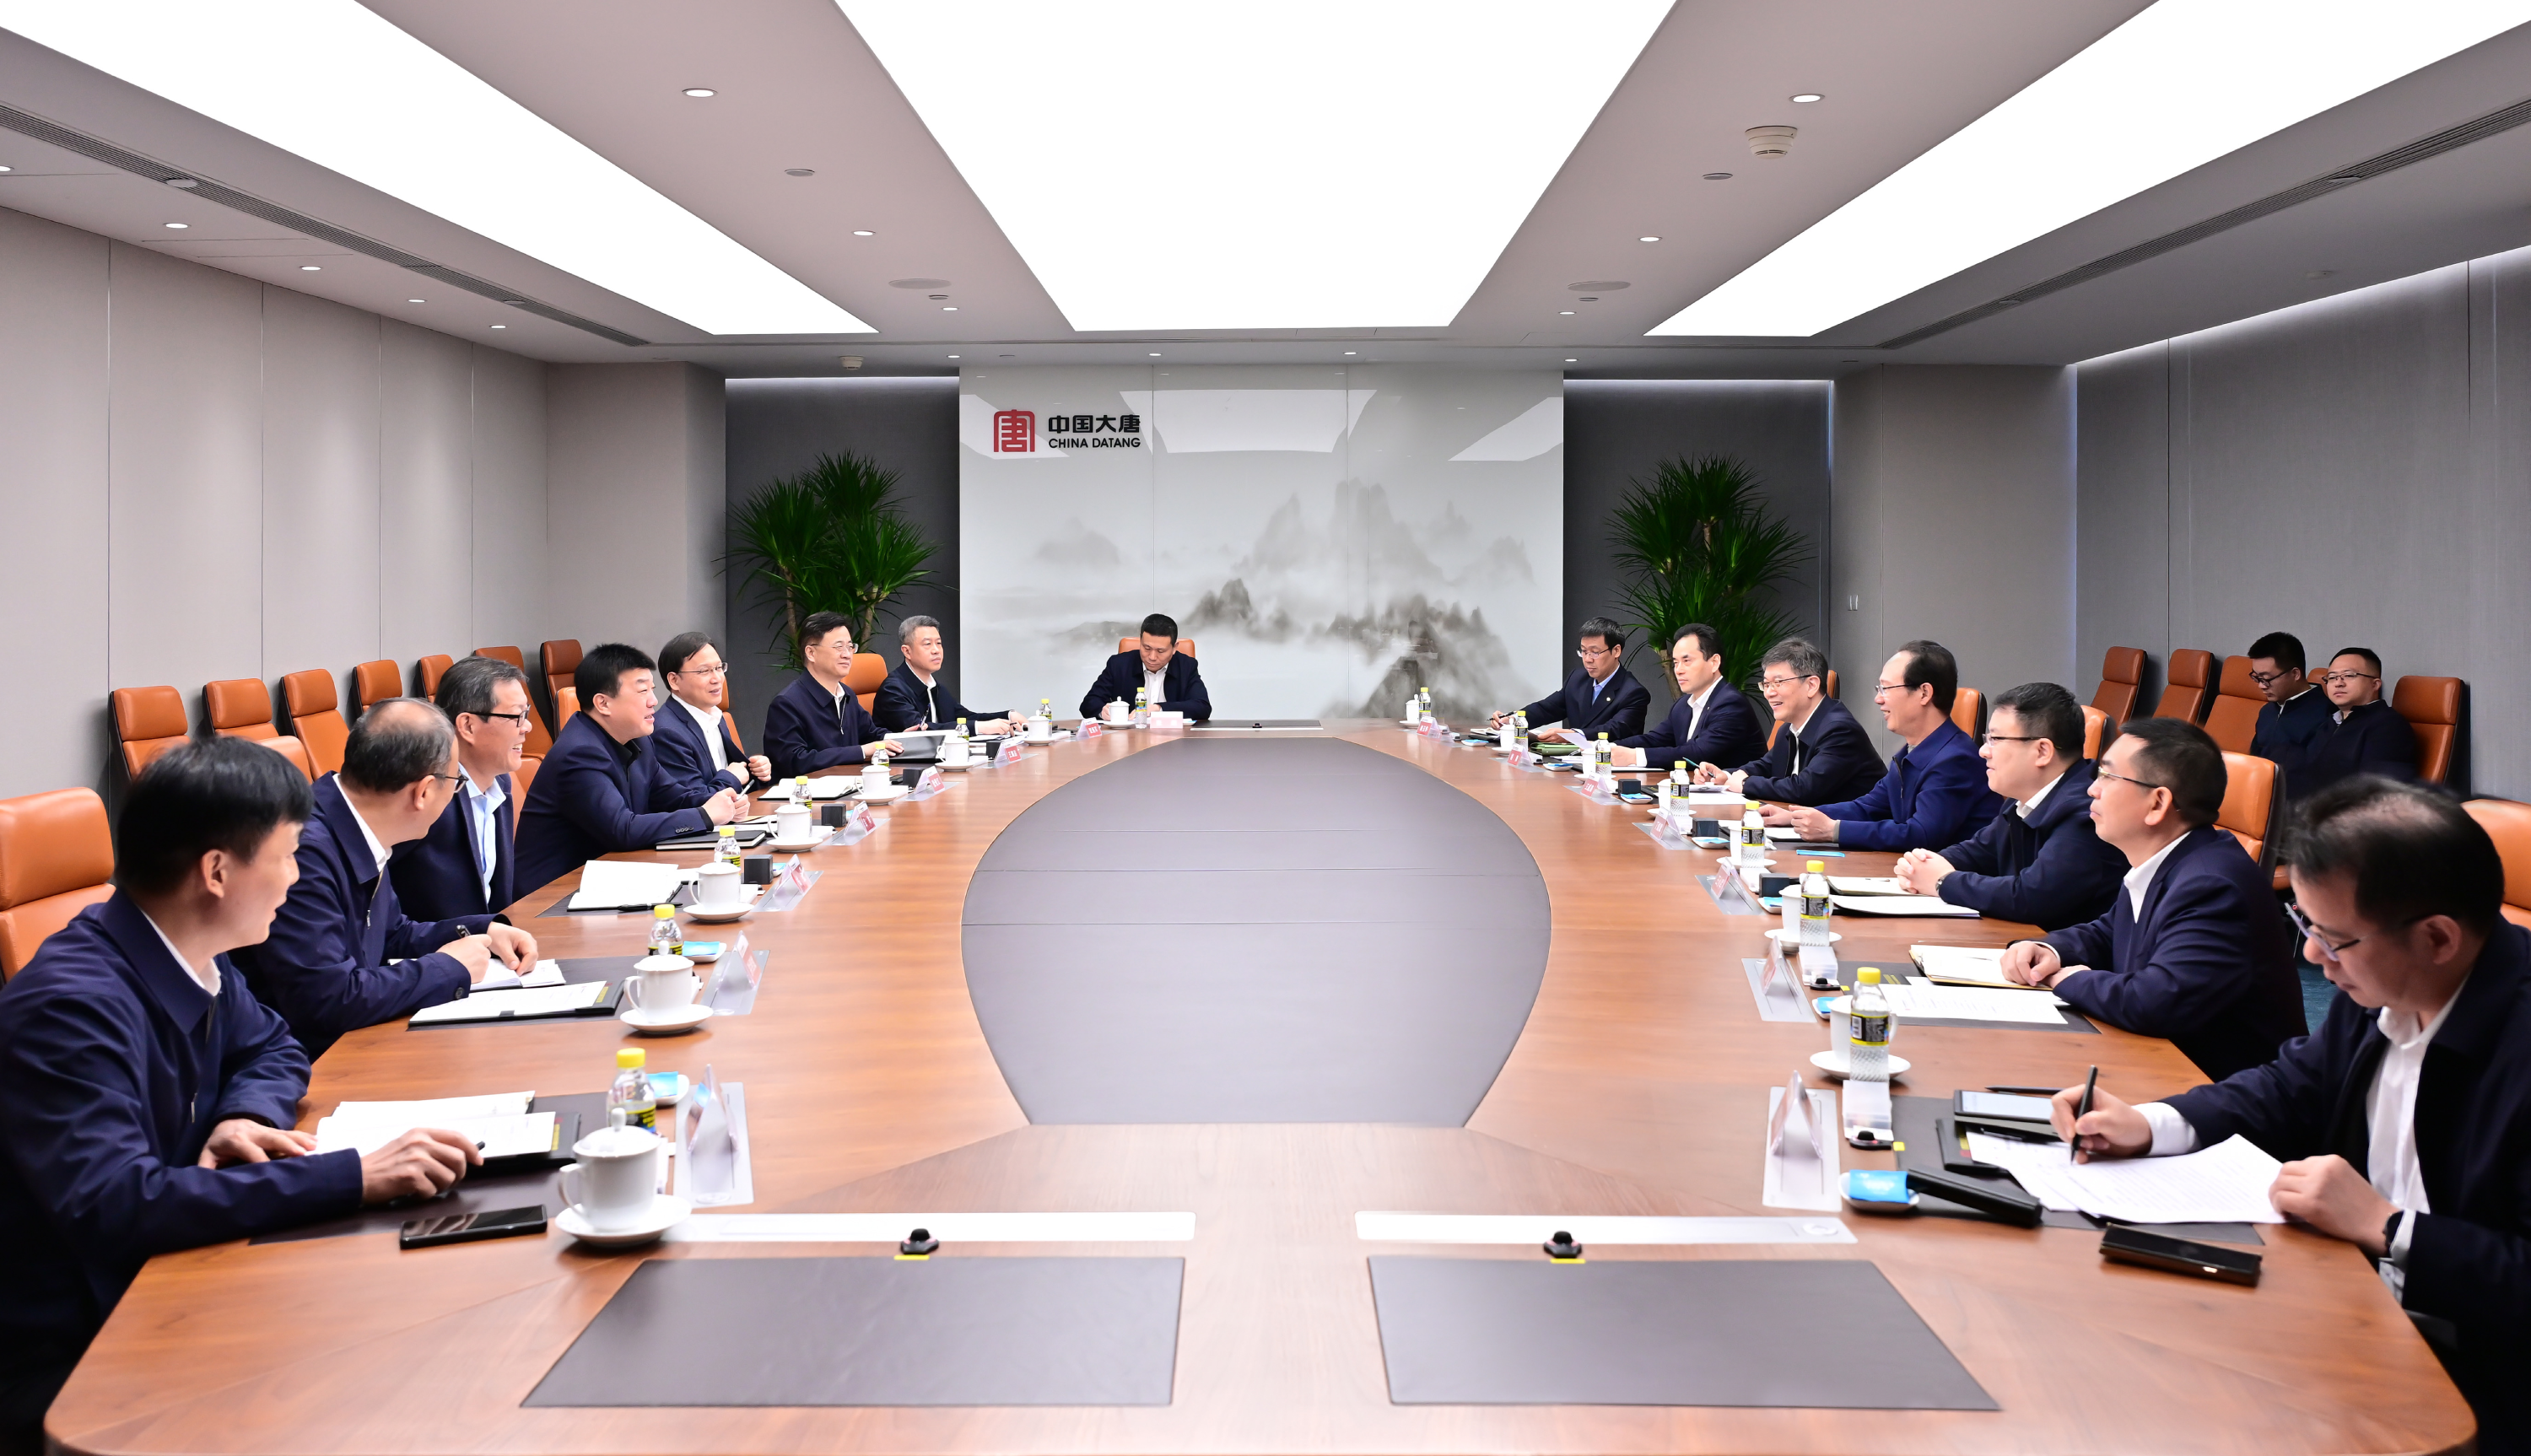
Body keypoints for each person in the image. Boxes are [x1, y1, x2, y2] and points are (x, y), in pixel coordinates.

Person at [0, 741, 482, 1451]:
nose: (296, 876)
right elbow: (119, 1205)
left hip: (173, 1278)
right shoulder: (70, 1006)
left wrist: (243, 1114)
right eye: (287, 856)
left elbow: (274, 1046)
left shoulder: (186, 949)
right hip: (82, 1349)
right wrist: (353, 1176)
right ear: (217, 872)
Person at [2051, 777, 2531, 1451]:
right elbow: (2290, 1086)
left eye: (2333, 938)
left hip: (2477, 1380)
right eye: (2306, 926)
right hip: (2354, 1308)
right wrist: (2152, 1123)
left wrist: (2388, 1226)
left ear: (2437, 939)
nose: (2311, 956)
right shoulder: (2388, 982)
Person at [1999, 718, 2304, 1080]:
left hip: (2216, 1091)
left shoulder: (2211, 885)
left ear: (2158, 803)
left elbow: (2156, 1000)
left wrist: (2068, 979)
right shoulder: (2168, 857)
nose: (2092, 789)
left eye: (2107, 776)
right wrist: (2049, 950)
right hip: (2162, 1066)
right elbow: (2109, 932)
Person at [233, 700, 537, 1058]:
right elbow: (327, 999)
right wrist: (447, 969)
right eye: (456, 783)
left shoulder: (356, 823)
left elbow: (392, 935)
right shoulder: (303, 854)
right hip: (305, 1065)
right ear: (424, 792)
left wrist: (481, 932)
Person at [1894, 682, 2125, 930]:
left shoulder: (2086, 812)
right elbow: (1978, 852)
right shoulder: (2023, 798)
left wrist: (1943, 882)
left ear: (2042, 751)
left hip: (2062, 951)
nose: (1984, 751)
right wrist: (1922, 865)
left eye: (1995, 739)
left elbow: (2031, 897)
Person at [515, 643, 741, 893]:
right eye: (642, 691)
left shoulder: (638, 740)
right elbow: (622, 829)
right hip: (553, 894)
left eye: (652, 689)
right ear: (603, 703)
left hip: (608, 878)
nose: (654, 701)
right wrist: (705, 815)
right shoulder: (579, 753)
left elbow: (673, 797)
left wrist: (721, 802)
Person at [1764, 639, 2002, 851]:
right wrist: (1795, 816)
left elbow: (1921, 834)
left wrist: (1834, 830)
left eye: (1886, 688)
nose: (1878, 699)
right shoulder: (1911, 752)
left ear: (1924, 693)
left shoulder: (1955, 759)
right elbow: (1868, 807)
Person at [390, 655, 531, 921]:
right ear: (468, 726)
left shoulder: (500, 780)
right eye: (517, 716)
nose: (527, 727)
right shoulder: (426, 794)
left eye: (527, 713)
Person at [1692, 637, 1881, 805]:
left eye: (1778, 683)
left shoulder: (1840, 730)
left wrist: (1745, 783)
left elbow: (1805, 789)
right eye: (1766, 684)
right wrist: (1726, 775)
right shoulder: (1789, 728)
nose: (1769, 693)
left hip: (1856, 833)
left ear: (1811, 685)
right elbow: (1767, 766)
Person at [1607, 624, 1768, 772]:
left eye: (1687, 661)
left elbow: (1698, 754)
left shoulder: (1731, 703)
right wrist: (1607, 748)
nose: (1678, 670)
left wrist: (1634, 756)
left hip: (1738, 792)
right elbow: (1654, 739)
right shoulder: (1683, 705)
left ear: (1714, 662)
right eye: (1676, 663)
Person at [764, 612, 900, 777]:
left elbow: (871, 734)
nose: (847, 654)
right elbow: (795, 762)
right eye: (838, 647)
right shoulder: (787, 703)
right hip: (810, 791)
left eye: (850, 647)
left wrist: (903, 740)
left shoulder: (847, 694)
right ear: (811, 653)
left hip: (851, 785)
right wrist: (861, 751)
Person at [651, 631, 773, 807]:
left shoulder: (713, 714)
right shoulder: (667, 732)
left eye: (719, 668)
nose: (717, 679)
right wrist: (732, 777)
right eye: (704, 671)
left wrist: (757, 772)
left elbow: (732, 777)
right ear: (674, 680)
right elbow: (693, 802)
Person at [1491, 617, 1647, 743]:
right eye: (1583, 651)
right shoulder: (1578, 678)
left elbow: (1613, 730)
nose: (1588, 659)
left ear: (1616, 651)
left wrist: (1571, 736)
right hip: (1572, 762)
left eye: (1595, 652)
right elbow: (1547, 708)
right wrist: (1512, 720)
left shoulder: (1633, 693)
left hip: (1609, 765)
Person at [2295, 647, 2420, 797]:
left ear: (2375, 684)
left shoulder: (2389, 726)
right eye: (2332, 677)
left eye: (2348, 675)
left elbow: (2379, 790)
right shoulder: (2329, 723)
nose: (2338, 683)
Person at [875, 615, 1020, 735]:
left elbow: (966, 717)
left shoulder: (934, 686)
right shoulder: (893, 691)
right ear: (907, 651)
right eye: (927, 644)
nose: (936, 650)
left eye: (939, 643)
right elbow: (920, 731)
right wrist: (978, 727)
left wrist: (1008, 716)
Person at [1081, 612, 1213, 723]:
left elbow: (1202, 707)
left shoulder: (1186, 666)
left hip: (1173, 739)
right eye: (1147, 648)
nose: (1152, 657)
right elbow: (1089, 703)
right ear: (1140, 642)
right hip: (1129, 739)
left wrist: (1159, 709)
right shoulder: (1119, 664)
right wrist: (1102, 711)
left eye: (1160, 651)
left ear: (1174, 648)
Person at [2245, 630, 2331, 771]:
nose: (2261, 686)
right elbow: (2254, 758)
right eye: (2257, 678)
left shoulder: (2326, 716)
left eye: (2266, 678)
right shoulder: (2267, 711)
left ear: (2295, 674)